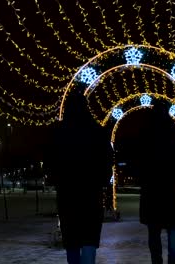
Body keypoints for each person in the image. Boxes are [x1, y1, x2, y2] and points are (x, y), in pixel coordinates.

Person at [46, 90, 113, 264]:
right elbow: (108, 160)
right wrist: (103, 180)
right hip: (92, 193)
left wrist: (56, 178)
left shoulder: (58, 132)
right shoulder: (97, 131)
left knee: (72, 239)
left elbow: (50, 161)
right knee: (90, 238)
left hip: (67, 193)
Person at [130, 109, 175, 264]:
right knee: (173, 229)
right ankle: (173, 261)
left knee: (154, 231)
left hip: (151, 192)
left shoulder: (144, 138)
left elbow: (136, 165)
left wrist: (143, 181)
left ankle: (156, 261)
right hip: (170, 191)